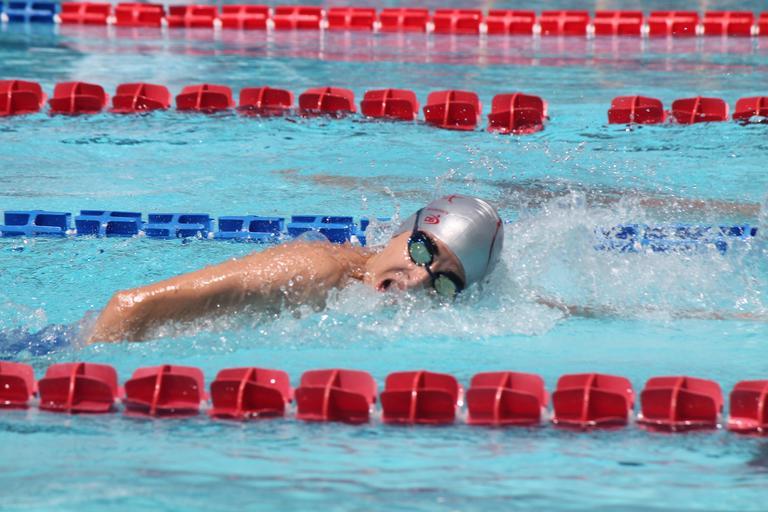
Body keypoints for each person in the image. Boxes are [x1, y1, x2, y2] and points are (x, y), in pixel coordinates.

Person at [85, 195, 504, 343]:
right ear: (401, 231)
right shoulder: (313, 272)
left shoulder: (360, 295)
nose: (415, 283)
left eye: (444, 284)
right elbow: (129, 307)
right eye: (422, 251)